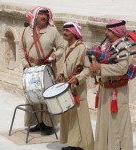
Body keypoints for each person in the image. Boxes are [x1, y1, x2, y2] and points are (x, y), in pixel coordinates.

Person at [19, 6, 65, 134]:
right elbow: (21, 49)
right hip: (31, 69)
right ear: (35, 16)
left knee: (48, 96)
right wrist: (25, 64)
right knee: (32, 95)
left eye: (46, 15)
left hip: (47, 68)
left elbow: (61, 47)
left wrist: (55, 56)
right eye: (41, 15)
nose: (44, 17)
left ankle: (49, 125)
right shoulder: (26, 31)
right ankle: (37, 123)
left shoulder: (53, 31)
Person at [89, 20, 133, 150]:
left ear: (116, 32)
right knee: (104, 123)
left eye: (108, 30)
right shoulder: (108, 46)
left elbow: (122, 68)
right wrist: (94, 70)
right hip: (105, 90)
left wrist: (100, 67)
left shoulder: (123, 46)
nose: (105, 33)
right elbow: (102, 63)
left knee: (117, 124)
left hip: (117, 92)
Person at [56, 21, 94, 150]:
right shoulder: (67, 46)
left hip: (78, 88)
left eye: (67, 30)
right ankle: (73, 144)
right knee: (70, 116)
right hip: (68, 86)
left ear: (74, 33)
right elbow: (66, 64)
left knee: (80, 116)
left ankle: (85, 145)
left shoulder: (82, 48)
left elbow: (88, 69)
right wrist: (61, 73)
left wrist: (77, 79)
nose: (64, 32)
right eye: (64, 30)